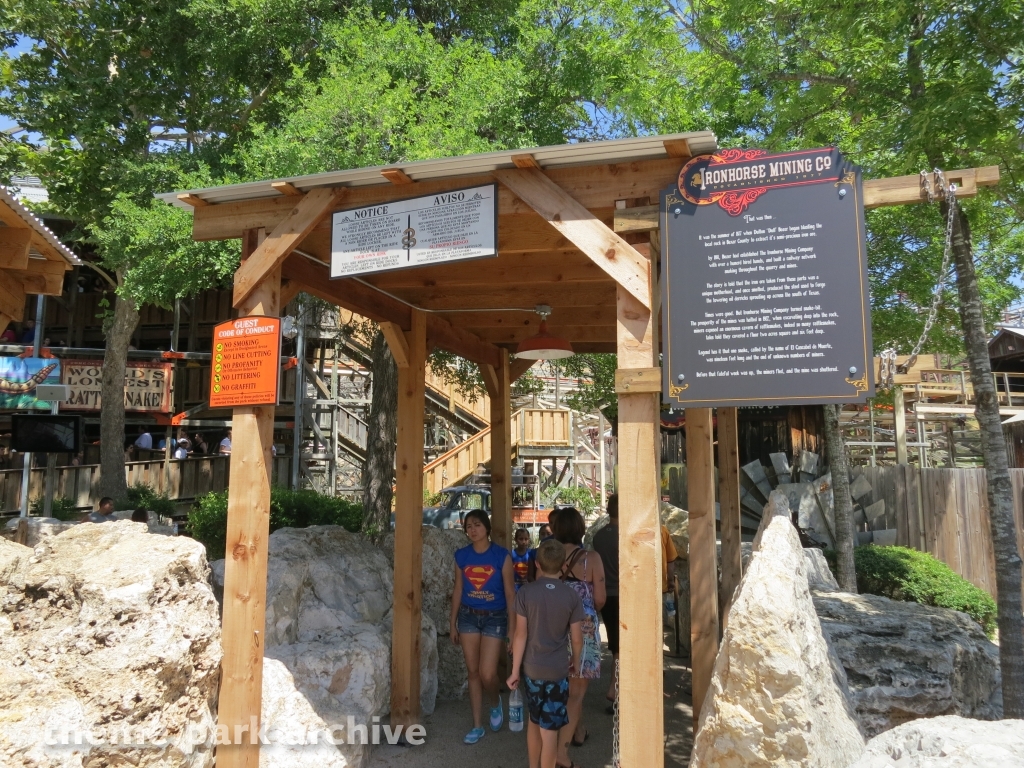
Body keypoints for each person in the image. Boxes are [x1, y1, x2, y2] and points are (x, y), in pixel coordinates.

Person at [508, 539, 584, 768]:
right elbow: (577, 638)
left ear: (538, 563)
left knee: (534, 720)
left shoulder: (526, 593)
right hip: (558, 669)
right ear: (563, 565)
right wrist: (577, 663)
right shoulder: (571, 596)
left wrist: (514, 671)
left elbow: (520, 635)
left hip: (532, 668)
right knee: (550, 730)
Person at [450, 509, 516, 745]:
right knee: (473, 672)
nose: (472, 530)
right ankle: (477, 725)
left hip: (495, 617)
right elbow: (458, 590)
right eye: (468, 526)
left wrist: (512, 628)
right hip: (468, 616)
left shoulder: (502, 556)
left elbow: (510, 593)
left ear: (487, 528)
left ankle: (495, 702)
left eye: (477, 525)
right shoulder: (461, 556)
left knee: (488, 673)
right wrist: (453, 623)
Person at [550, 507, 605, 765]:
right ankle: (561, 752)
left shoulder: (548, 556)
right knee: (577, 694)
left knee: (560, 690)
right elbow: (600, 599)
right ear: (580, 528)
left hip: (553, 631)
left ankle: (568, 737)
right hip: (583, 631)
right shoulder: (591, 559)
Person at [591, 494, 620, 710]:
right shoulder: (627, 535)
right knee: (622, 648)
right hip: (624, 595)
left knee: (615, 645)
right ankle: (615, 688)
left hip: (605, 593)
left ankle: (616, 688)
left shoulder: (599, 536)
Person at [511, 527, 532, 591]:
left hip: (528, 588)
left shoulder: (531, 553)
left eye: (526, 539)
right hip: (514, 588)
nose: (523, 542)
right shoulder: (511, 554)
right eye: (521, 539)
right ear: (515, 539)